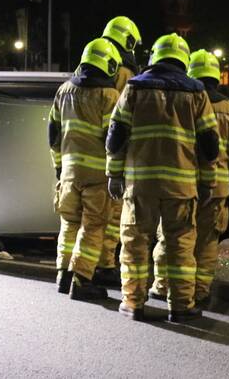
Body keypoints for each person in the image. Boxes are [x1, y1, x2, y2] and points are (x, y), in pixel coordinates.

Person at [106, 33, 219, 322]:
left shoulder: (133, 88)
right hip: (180, 187)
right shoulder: (196, 93)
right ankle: (180, 307)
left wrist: (114, 175)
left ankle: (133, 303)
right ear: (183, 58)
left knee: (135, 242)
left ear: (154, 56)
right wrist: (208, 182)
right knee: (180, 245)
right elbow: (209, 145)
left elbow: (115, 137)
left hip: (139, 185)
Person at [150, 49, 229, 305]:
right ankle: (200, 290)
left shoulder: (186, 102)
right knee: (206, 241)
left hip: (183, 184)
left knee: (171, 236)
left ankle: (162, 286)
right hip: (217, 189)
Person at [48, 38, 122, 300]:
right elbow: (112, 140)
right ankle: (82, 280)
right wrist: (118, 172)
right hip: (98, 176)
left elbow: (53, 133)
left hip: (69, 173)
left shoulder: (63, 91)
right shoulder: (108, 95)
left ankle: (63, 274)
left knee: (69, 224)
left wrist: (58, 166)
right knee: (93, 227)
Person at [94, 16, 143, 286]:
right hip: (112, 151)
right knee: (112, 214)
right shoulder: (123, 72)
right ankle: (105, 265)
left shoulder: (92, 62)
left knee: (91, 215)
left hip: (87, 151)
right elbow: (124, 115)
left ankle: (86, 265)